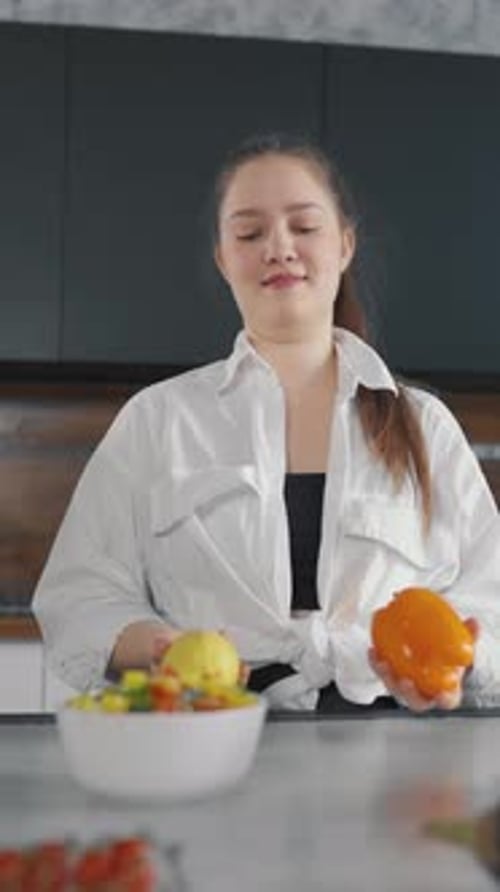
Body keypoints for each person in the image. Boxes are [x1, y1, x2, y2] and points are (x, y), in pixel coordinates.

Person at [33, 133, 500, 713]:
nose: (279, 248)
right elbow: (78, 596)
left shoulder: (424, 427)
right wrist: (160, 648)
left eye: (304, 228)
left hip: (395, 755)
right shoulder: (157, 420)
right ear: (223, 259)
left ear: (345, 245)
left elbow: (492, 598)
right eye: (250, 233)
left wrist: (456, 665)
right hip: (209, 738)